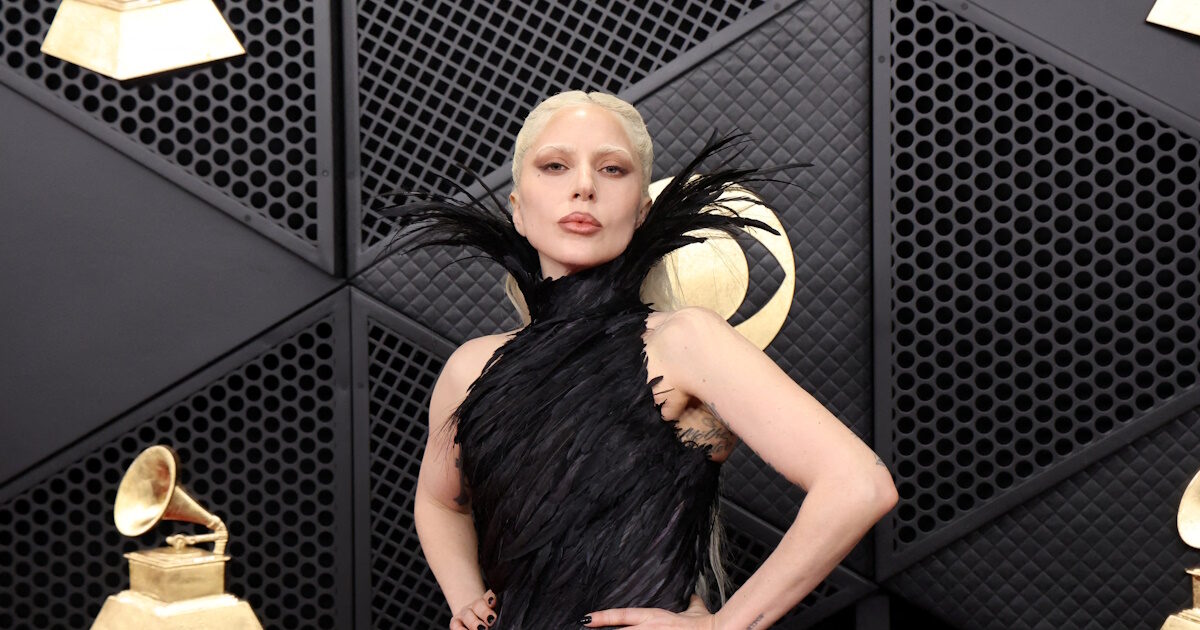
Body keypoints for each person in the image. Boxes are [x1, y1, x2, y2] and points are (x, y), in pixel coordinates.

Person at [394, 91, 898, 629]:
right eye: (555, 165)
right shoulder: (471, 368)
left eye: (611, 169)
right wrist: (466, 599)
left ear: (642, 211)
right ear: (518, 208)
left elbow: (858, 484)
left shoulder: (684, 342)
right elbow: (440, 503)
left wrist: (723, 627)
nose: (584, 186)